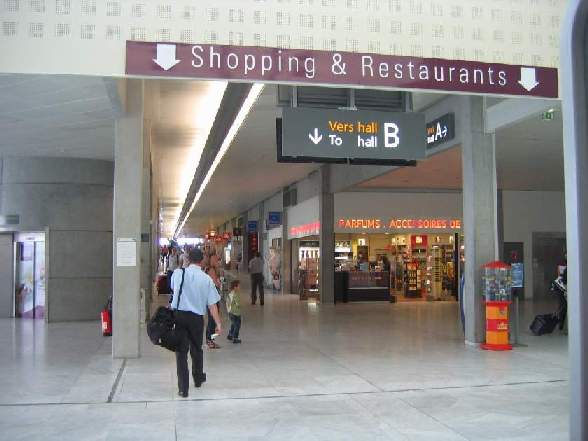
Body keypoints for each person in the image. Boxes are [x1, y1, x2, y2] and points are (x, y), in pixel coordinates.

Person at [170, 248, 222, 398]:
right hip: (196, 319)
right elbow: (212, 305)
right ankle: (198, 379)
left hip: (179, 316)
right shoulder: (206, 279)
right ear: (202, 261)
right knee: (196, 349)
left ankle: (183, 389)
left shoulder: (178, 273)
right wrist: (218, 324)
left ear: (188, 259)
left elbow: (174, 288)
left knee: (181, 353)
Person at [205, 250, 223, 349]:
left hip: (212, 295)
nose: (217, 260)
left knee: (212, 318)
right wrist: (219, 283)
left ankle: (210, 339)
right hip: (212, 296)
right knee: (212, 318)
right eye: (215, 259)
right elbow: (215, 283)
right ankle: (209, 340)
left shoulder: (212, 269)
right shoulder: (211, 269)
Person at [226, 279, 242, 344]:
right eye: (239, 286)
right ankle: (235, 338)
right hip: (236, 313)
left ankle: (230, 335)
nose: (239, 287)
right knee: (237, 325)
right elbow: (238, 304)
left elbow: (227, 303)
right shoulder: (236, 294)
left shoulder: (230, 294)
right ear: (235, 287)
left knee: (233, 324)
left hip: (230, 312)